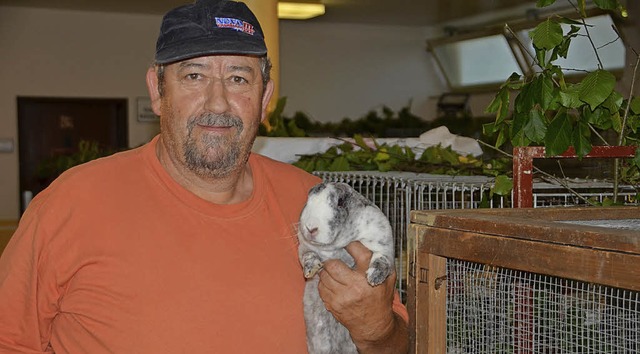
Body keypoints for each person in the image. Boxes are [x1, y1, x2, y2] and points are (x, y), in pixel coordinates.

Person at [0, 0, 409, 352]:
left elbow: (401, 345)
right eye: (194, 76)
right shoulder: (72, 204)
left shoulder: (313, 205)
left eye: (238, 78)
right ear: (158, 91)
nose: (218, 101)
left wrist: (377, 331)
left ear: (264, 98)